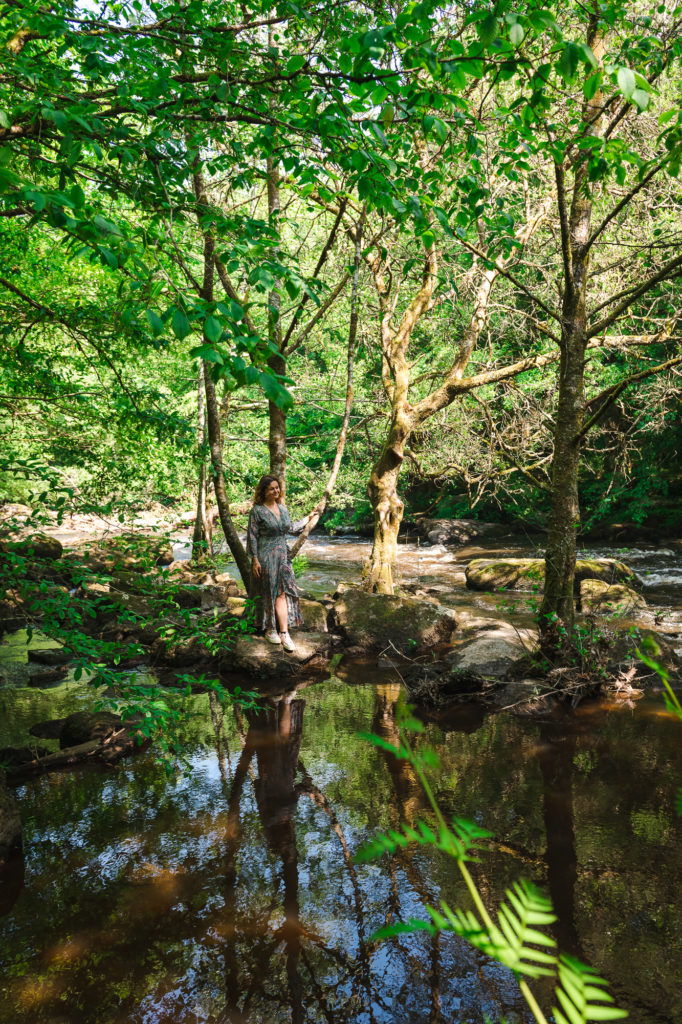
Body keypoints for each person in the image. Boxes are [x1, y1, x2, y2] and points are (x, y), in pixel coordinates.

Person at [246, 475, 311, 652]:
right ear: (264, 491)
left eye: (277, 488)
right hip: (265, 555)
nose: (276, 491)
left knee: (282, 593)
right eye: (271, 488)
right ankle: (270, 629)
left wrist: (307, 519)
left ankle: (284, 632)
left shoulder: (282, 509)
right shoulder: (257, 511)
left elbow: (290, 528)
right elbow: (252, 536)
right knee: (269, 592)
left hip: (283, 555)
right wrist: (254, 559)